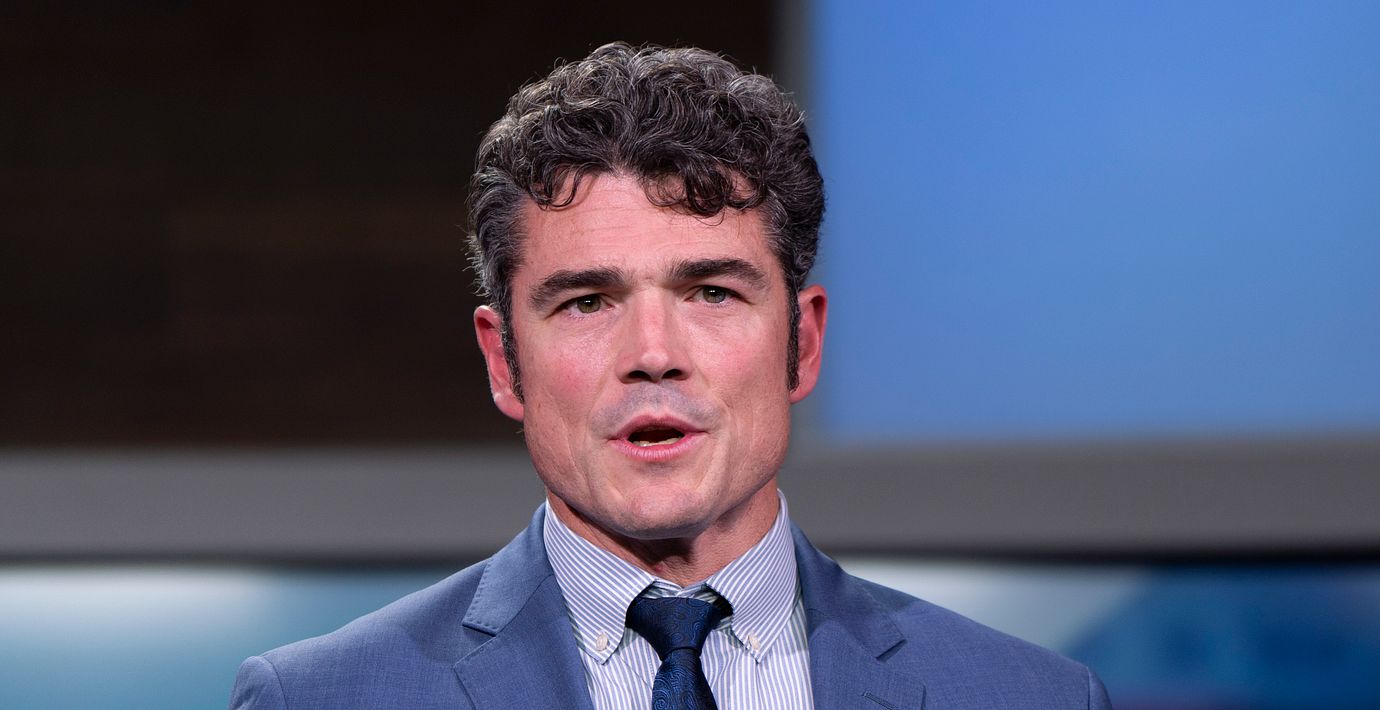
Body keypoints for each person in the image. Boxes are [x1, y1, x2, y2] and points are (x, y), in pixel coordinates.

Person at [230, 42, 1113, 709]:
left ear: (802, 344)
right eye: (587, 302)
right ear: (504, 362)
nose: (653, 352)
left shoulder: (1029, 697)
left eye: (712, 293)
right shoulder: (320, 700)